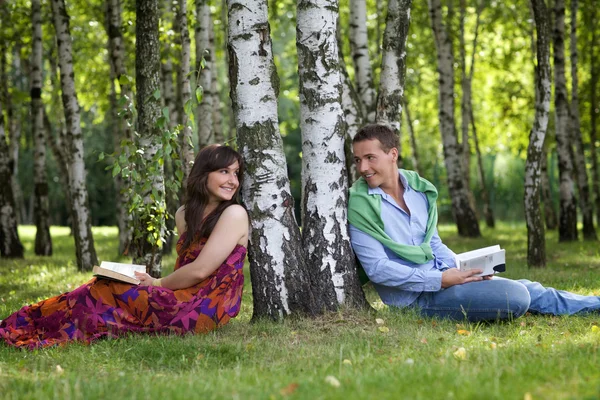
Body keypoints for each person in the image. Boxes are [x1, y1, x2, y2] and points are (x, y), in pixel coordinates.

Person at [0, 145, 249, 349]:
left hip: (204, 307)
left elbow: (200, 271)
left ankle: (28, 323)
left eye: (236, 173)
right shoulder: (185, 214)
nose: (233, 181)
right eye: (224, 172)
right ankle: (29, 321)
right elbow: (186, 267)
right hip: (183, 296)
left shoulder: (234, 214)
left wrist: (158, 283)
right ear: (203, 173)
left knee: (107, 290)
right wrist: (156, 284)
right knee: (104, 285)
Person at [348, 124, 600, 322]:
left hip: (443, 280)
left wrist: (466, 271)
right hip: (417, 299)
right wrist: (440, 281)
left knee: (528, 287)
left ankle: (594, 306)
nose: (362, 167)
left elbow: (433, 244)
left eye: (370, 157)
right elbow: (378, 269)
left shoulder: (417, 189)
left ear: (393, 154)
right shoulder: (360, 204)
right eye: (358, 160)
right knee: (517, 296)